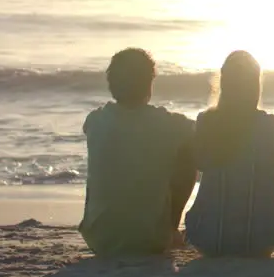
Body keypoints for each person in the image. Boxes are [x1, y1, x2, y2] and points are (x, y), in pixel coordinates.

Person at [79, 48, 196, 256]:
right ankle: (170, 229)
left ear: (111, 84)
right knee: (187, 155)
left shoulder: (95, 121)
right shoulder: (169, 124)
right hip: (151, 240)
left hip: (99, 238)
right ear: (149, 85)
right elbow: (206, 135)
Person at [185, 51, 274, 257]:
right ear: (255, 86)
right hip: (261, 239)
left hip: (209, 239)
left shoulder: (206, 123)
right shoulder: (273, 126)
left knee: (184, 153)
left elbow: (198, 162)